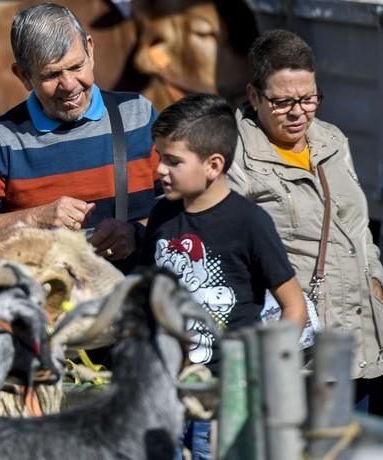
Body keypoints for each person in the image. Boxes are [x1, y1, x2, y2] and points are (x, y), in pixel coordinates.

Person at [139, 93, 307, 459]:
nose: (159, 171)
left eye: (173, 161)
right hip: (164, 394)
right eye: (159, 158)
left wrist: (258, 371)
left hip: (224, 402)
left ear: (213, 165)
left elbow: (294, 308)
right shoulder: (161, 216)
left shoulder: (250, 223)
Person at [227, 29, 383, 414]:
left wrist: (375, 279)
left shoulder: (332, 140)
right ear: (254, 96)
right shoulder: (234, 157)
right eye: (282, 102)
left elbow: (357, 226)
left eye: (309, 98)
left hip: (361, 336)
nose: (299, 113)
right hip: (301, 351)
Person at [0, 2, 158, 270]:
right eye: (52, 75)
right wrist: (33, 219)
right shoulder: (0, 140)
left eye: (76, 66)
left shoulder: (138, 115)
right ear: (23, 76)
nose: (69, 85)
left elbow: (183, 207)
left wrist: (136, 234)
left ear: (90, 50)